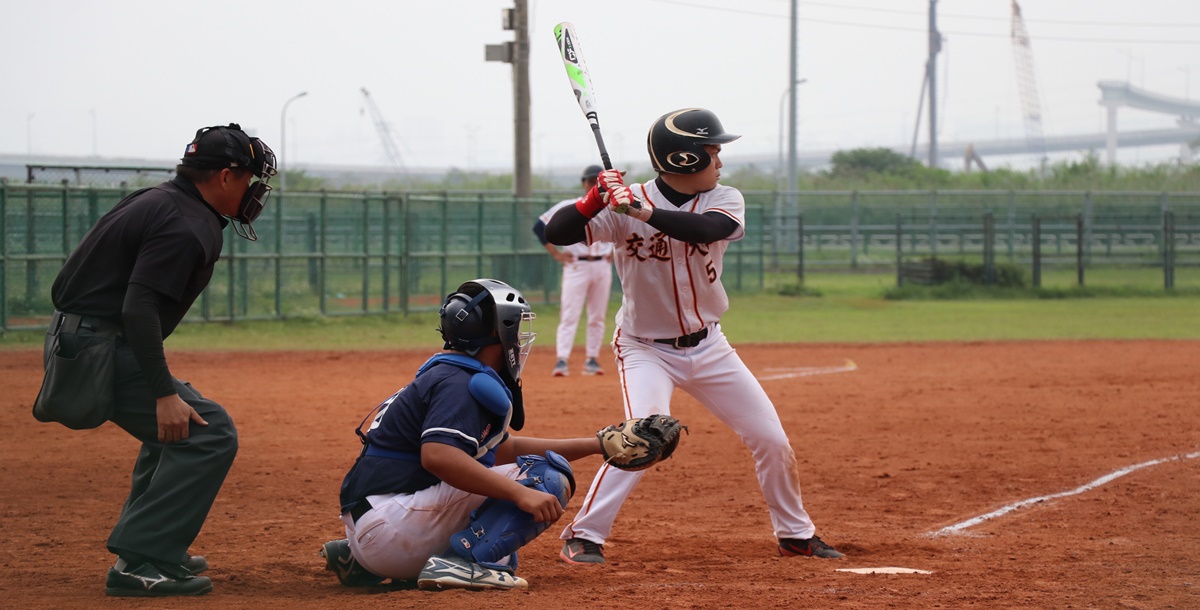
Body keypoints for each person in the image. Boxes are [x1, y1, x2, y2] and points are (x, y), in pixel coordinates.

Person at [544, 108, 843, 564]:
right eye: (711, 150)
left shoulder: (723, 197)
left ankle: (795, 534)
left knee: (771, 440)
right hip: (645, 348)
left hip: (709, 345)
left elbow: (708, 229)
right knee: (643, 438)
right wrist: (594, 201)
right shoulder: (625, 203)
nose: (719, 159)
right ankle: (583, 534)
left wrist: (641, 211)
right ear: (684, 158)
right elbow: (557, 232)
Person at [39, 124, 277, 596]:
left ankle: (150, 544)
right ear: (226, 176)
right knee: (210, 433)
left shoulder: (162, 199)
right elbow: (139, 307)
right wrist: (163, 392)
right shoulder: (185, 223)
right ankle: (140, 562)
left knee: (176, 429)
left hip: (85, 337)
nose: (254, 192)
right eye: (250, 180)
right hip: (99, 346)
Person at [320, 279, 606, 591]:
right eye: (515, 325)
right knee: (545, 476)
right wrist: (520, 492)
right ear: (498, 332)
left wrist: (598, 445)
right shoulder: (460, 385)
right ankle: (462, 562)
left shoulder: (451, 373)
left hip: (374, 524)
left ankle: (359, 561)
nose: (520, 337)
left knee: (521, 477)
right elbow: (438, 457)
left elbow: (506, 448)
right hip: (390, 530)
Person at [532, 165, 614, 377]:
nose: (592, 184)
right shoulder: (571, 206)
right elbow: (539, 227)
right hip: (576, 265)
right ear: (583, 183)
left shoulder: (612, 206)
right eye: (589, 181)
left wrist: (616, 252)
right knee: (570, 314)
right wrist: (556, 254)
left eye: (596, 181)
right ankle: (562, 359)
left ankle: (592, 360)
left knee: (597, 316)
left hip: (602, 265)